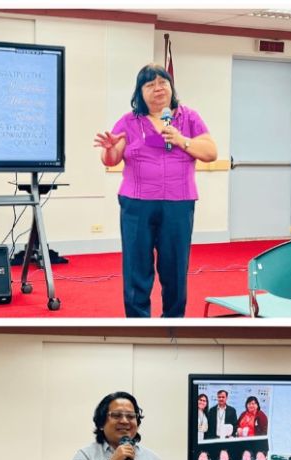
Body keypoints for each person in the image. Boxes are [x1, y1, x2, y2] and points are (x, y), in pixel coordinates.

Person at [94, 64, 217, 317]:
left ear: (171, 87)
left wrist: (181, 139)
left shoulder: (188, 117)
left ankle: (173, 322)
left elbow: (210, 152)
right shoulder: (128, 121)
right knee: (136, 266)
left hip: (178, 203)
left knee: (175, 267)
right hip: (137, 203)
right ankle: (138, 324)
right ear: (140, 92)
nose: (158, 88)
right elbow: (111, 159)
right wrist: (108, 148)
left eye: (163, 82)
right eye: (150, 84)